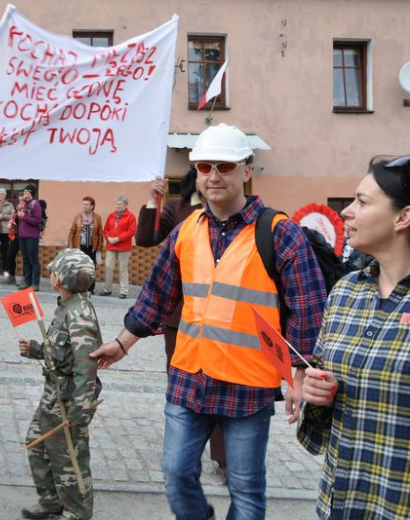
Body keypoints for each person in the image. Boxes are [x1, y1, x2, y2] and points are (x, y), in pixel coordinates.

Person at [89, 123, 328, 520]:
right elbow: (156, 295)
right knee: (176, 475)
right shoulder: (186, 231)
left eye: (225, 166)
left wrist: (300, 375)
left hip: (247, 384)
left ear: (246, 171)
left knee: (246, 489)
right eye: (204, 167)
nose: (213, 176)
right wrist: (122, 342)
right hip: (189, 377)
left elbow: (309, 309)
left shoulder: (278, 233)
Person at [298, 155, 410, 519]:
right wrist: (316, 393)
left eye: (362, 202)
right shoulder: (346, 291)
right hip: (342, 501)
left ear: (402, 217)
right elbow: (323, 374)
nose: (346, 212)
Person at [135, 169, 227, 474]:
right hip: (182, 316)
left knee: (219, 385)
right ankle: (182, 457)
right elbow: (146, 238)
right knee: (182, 386)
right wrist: (154, 201)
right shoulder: (177, 207)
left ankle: (224, 460)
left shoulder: (235, 208)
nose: (214, 175)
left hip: (225, 316)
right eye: (206, 168)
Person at [19, 249, 102, 520]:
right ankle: (52, 502)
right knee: (37, 443)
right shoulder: (66, 306)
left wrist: (79, 411)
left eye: (54, 270)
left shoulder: (79, 315)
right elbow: (61, 355)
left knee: (69, 458)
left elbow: (86, 367)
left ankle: (77, 512)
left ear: (62, 279)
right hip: (53, 394)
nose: (50, 273)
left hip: (68, 400)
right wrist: (36, 349)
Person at [99, 195, 136, 299]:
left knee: (122, 269)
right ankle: (107, 289)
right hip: (111, 246)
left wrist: (118, 239)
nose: (117, 206)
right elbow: (106, 229)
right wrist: (108, 238)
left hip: (123, 247)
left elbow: (131, 231)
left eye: (119, 204)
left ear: (125, 205)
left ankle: (124, 291)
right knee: (108, 267)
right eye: (116, 204)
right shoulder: (111, 215)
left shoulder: (130, 216)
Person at [67, 196, 103, 293]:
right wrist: (70, 248)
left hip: (92, 248)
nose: (84, 206)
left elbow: (100, 234)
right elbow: (71, 232)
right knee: (79, 268)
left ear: (92, 206)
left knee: (91, 269)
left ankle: (90, 289)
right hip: (80, 247)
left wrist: (99, 249)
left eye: (86, 204)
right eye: (83, 204)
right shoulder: (78, 216)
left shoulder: (97, 217)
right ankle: (79, 288)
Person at [18, 184, 43, 291]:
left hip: (32, 236)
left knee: (33, 260)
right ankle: (27, 281)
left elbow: (37, 221)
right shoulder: (23, 205)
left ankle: (35, 283)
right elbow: (22, 221)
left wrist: (25, 217)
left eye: (27, 192)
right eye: (24, 192)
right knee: (26, 260)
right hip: (22, 236)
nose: (25, 194)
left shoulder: (35, 205)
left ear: (31, 193)